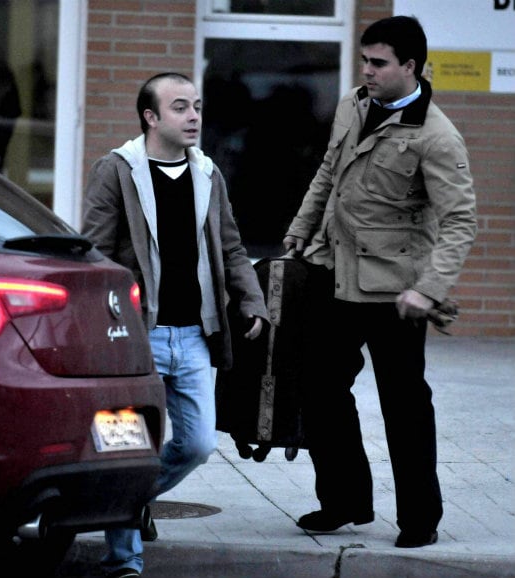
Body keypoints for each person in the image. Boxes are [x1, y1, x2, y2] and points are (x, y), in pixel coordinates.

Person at [283, 16, 477, 549]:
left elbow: (460, 222)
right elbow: (329, 170)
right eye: (364, 60)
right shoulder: (353, 104)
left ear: (410, 67)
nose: (366, 71)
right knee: (319, 390)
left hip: (395, 294)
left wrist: (429, 289)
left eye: (378, 63)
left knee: (404, 405)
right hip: (332, 273)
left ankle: (420, 519)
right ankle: (345, 501)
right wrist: (301, 230)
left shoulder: (437, 137)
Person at [81, 72, 268, 577]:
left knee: (198, 445)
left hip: (194, 338)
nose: (194, 118)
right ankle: (124, 558)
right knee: (130, 449)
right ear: (151, 117)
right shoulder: (116, 171)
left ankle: (124, 501)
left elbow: (230, 247)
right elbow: (95, 252)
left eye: (198, 107)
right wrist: (106, 322)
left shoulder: (207, 173)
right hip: (136, 338)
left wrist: (251, 301)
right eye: (181, 107)